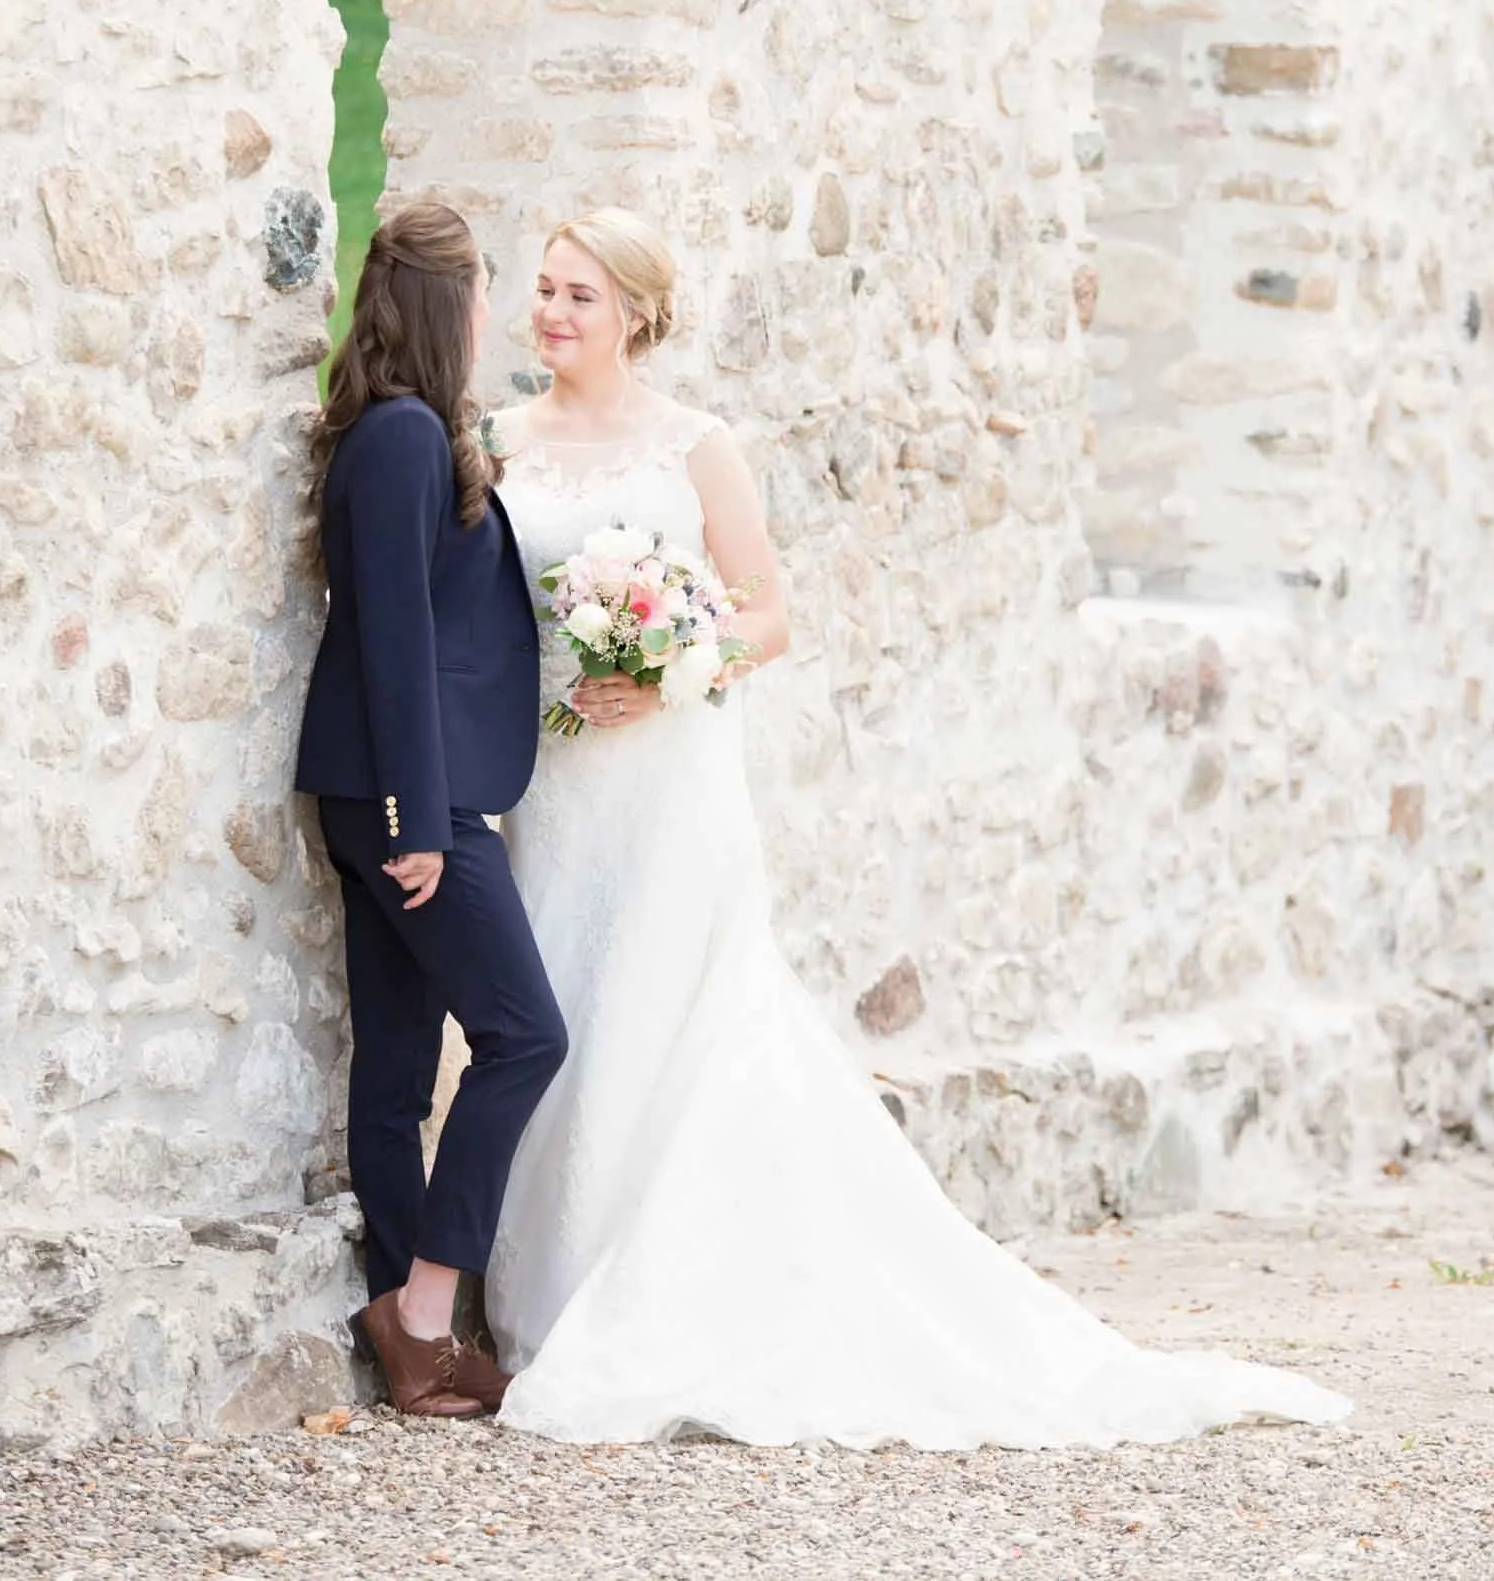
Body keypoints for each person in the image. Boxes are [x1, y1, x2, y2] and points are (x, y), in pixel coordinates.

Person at [483, 206, 1351, 1448]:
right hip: (558, 788)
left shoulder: (695, 447)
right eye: (544, 289)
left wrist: (670, 657)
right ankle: (548, 1294)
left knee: (667, 1023)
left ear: (632, 313)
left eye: (577, 295)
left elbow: (768, 614)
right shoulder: (503, 441)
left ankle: (667, 1300)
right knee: (567, 1017)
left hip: (671, 786)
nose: (550, 312)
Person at [295, 201, 567, 1419]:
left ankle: (408, 1326)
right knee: (523, 1035)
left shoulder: (392, 428)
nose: (498, 315)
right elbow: (394, 638)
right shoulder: (404, 435)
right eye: (489, 293)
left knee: (402, 1066)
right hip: (410, 795)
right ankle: (422, 1309)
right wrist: (415, 815)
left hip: (375, 786)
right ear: (448, 305)